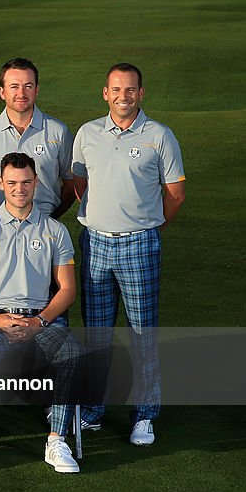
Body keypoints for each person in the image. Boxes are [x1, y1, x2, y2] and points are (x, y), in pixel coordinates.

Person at [72, 63, 185, 446]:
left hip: (140, 244)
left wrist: (149, 226)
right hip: (96, 243)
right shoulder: (87, 133)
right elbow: (80, 182)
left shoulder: (160, 136)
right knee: (97, 333)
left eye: (131, 90)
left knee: (141, 333)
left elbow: (175, 194)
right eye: (117, 89)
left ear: (141, 93)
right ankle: (92, 409)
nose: (124, 96)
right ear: (105, 93)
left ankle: (145, 414)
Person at [0, 153, 82, 473]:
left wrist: (38, 322)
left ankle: (57, 440)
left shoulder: (55, 231)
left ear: (36, 182)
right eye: (12, 182)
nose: (19, 189)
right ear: (1, 183)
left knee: (71, 351)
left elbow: (67, 289)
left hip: (40, 320)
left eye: (26, 182)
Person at [0, 58, 75, 218]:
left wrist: (50, 218)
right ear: (2, 92)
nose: (21, 94)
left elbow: (71, 184)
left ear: (36, 90)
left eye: (28, 86)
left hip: (43, 224)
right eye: (14, 87)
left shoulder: (58, 132)